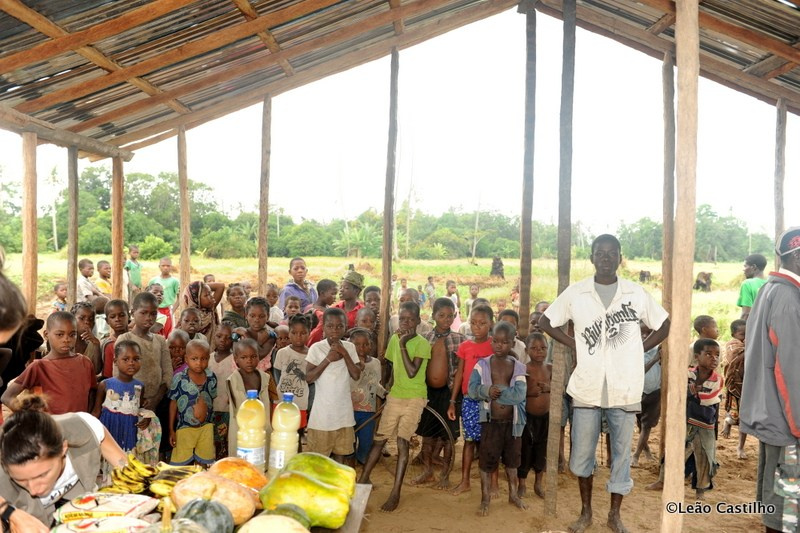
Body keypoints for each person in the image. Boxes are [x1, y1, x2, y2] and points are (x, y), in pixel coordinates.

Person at [538, 234, 669, 533]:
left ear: (620, 257)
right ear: (592, 257)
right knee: (582, 455)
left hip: (624, 388)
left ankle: (614, 515)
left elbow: (664, 323)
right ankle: (586, 513)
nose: (606, 258)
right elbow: (546, 321)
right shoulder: (577, 293)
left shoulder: (635, 293)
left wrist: (641, 346)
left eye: (612, 253)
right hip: (587, 388)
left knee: (621, 455)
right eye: (600, 253)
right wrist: (573, 343)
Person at [740, 227, 800, 533]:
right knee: (787, 509)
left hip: (770, 412)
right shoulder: (789, 299)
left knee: (775, 499)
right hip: (788, 421)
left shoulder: (769, 290)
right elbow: (789, 369)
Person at [0, 395, 128, 531]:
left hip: (77, 503)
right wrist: (10, 513)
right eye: (21, 480)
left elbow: (129, 470)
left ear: (63, 448)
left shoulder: (85, 429)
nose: (34, 490)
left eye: (42, 475)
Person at [359, 301, 431, 512]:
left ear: (418, 321)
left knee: (401, 442)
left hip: (415, 397)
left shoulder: (421, 344)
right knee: (379, 440)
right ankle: (363, 479)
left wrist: (402, 343)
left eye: (410, 319)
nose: (406, 323)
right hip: (396, 395)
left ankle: (396, 492)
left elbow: (410, 371)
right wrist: (385, 389)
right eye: (402, 319)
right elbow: (391, 366)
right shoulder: (393, 338)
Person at [468, 321, 527, 516]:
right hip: (490, 422)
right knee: (487, 460)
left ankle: (513, 494)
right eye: (496, 341)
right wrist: (486, 391)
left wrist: (496, 392)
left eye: (504, 342)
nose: (499, 345)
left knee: (512, 461)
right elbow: (472, 389)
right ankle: (485, 498)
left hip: (512, 425)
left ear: (512, 343)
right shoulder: (482, 364)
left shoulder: (518, 367)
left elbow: (519, 395)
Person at [411, 297, 466, 489]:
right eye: (441, 315)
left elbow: (461, 370)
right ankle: (427, 471)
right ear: (433, 316)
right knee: (427, 435)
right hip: (428, 394)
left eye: (450, 316)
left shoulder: (460, 340)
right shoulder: (425, 338)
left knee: (449, 435)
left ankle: (445, 474)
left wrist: (454, 398)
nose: (446, 319)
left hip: (450, 393)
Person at [2, 312, 98, 415]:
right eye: (60, 334)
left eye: (72, 334)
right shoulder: (40, 366)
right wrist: (32, 418)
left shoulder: (85, 362)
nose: (66, 339)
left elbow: (92, 391)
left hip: (79, 426)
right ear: (46, 335)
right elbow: (7, 397)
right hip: (52, 428)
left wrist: (90, 416)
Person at [115, 292, 172, 456]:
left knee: (154, 448)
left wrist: (156, 400)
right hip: (130, 404)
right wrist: (138, 403)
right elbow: (119, 376)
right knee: (132, 449)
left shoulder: (160, 341)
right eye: (144, 313)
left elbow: (167, 373)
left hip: (157, 402)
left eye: (153, 313)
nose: (149, 317)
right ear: (133, 313)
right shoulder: (125, 339)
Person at [447, 304, 495, 496]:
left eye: (482, 323)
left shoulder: (495, 345)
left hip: (490, 400)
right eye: (473, 323)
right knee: (469, 440)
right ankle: (465, 480)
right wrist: (452, 401)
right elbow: (459, 374)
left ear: (491, 324)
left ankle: (493, 482)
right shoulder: (465, 346)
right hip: (469, 400)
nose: (477, 327)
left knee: (489, 442)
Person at [305, 308, 361, 463]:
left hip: (344, 416)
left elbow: (356, 374)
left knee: (340, 458)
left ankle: (335, 487)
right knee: (318, 461)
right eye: (330, 326)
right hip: (322, 417)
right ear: (323, 327)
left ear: (346, 328)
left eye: (339, 326)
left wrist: (344, 353)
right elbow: (308, 378)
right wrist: (328, 359)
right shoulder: (317, 348)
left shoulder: (349, 347)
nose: (335, 330)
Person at [92, 340, 155, 458]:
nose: (131, 363)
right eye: (126, 359)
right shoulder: (105, 385)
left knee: (126, 461)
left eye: (136, 359)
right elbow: (96, 411)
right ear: (115, 361)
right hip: (109, 431)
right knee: (108, 463)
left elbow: (137, 410)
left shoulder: (140, 386)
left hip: (129, 432)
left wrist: (146, 419)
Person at [168, 339, 216, 466]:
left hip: (206, 428)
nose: (199, 363)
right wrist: (171, 429)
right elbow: (173, 404)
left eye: (204, 358)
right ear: (186, 359)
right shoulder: (179, 378)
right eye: (194, 359)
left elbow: (212, 401)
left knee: (203, 464)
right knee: (180, 463)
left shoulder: (211, 377)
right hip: (184, 427)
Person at [685, 339, 723, 500]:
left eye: (717, 355)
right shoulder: (688, 374)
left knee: (705, 458)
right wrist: (692, 394)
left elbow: (709, 398)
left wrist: (692, 394)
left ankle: (700, 491)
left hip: (705, 424)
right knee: (677, 453)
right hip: (687, 422)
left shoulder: (718, 380)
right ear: (696, 356)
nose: (714, 358)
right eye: (708, 354)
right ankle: (663, 480)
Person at [227, 338, 273, 456]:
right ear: (236, 359)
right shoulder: (233, 380)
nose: (249, 361)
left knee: (261, 457)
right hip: (241, 429)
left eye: (253, 356)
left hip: (262, 426)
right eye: (244, 357)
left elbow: (273, 400)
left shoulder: (265, 378)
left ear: (259, 356)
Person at [518, 332, 550, 499]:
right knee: (525, 450)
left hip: (545, 418)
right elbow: (518, 392)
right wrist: (530, 392)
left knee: (541, 450)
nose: (539, 352)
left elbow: (560, 389)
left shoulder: (550, 369)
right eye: (535, 348)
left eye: (543, 348)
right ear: (527, 350)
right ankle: (522, 483)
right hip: (528, 418)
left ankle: (538, 482)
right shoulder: (524, 369)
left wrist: (548, 388)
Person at [349, 328, 384, 465]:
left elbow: (376, 384)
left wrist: (385, 394)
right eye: (357, 344)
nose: (361, 348)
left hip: (368, 411)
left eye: (365, 344)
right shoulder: (347, 362)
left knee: (366, 441)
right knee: (349, 441)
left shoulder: (375, 363)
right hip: (349, 409)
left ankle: (362, 459)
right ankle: (350, 463)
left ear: (371, 345)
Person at [631, 323, 662, 467]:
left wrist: (659, 358)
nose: (645, 336)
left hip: (655, 392)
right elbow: (637, 372)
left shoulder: (661, 349)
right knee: (640, 423)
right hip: (637, 392)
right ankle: (646, 449)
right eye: (642, 333)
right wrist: (655, 359)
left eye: (649, 333)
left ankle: (636, 455)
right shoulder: (634, 350)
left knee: (646, 425)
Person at [274, 315, 311, 435]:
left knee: (297, 435)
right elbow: (277, 375)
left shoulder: (312, 354)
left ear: (309, 333)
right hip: (281, 401)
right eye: (294, 333)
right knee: (280, 432)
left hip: (300, 403)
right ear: (289, 333)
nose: (298, 337)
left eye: (303, 333)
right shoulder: (282, 353)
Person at [208, 323, 236, 460]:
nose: (223, 341)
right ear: (214, 336)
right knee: (210, 443)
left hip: (227, 410)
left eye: (228, 338)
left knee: (224, 444)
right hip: (210, 410)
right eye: (219, 336)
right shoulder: (208, 358)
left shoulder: (235, 360)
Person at [721, 319, 747, 458]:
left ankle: (740, 445)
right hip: (735, 385)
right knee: (740, 414)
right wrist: (749, 345)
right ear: (733, 334)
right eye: (743, 334)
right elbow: (736, 357)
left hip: (748, 385)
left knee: (744, 417)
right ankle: (739, 447)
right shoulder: (732, 346)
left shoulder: (747, 345)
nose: (746, 337)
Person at [180, 280, 224, 348]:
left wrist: (201, 285)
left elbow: (221, 286)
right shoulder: (189, 316)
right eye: (206, 295)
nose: (211, 297)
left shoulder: (209, 310)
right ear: (196, 299)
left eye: (210, 293)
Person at [234, 297, 277, 362]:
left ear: (267, 316)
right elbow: (235, 355)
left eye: (261, 316)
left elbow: (260, 354)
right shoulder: (239, 335)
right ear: (246, 315)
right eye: (252, 316)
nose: (256, 320)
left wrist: (246, 334)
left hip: (264, 372)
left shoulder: (270, 336)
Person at [148, 257, 180, 338]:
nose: (165, 267)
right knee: (154, 330)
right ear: (159, 266)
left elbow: (179, 297)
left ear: (171, 267)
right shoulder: (153, 280)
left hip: (167, 309)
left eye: (168, 266)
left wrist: (172, 310)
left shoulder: (175, 281)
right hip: (155, 309)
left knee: (168, 332)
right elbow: (148, 294)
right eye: (163, 265)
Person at [100, 299, 131, 379]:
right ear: (107, 321)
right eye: (113, 317)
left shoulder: (137, 339)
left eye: (121, 315)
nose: (117, 319)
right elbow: (108, 375)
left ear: (129, 316)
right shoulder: (109, 345)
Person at [72, 301, 101, 375]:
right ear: (72, 320)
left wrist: (96, 344)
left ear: (94, 324)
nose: (87, 322)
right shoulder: (66, 342)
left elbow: (96, 371)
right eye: (81, 318)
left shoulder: (93, 344)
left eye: (91, 319)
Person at [307, 279, 338, 346]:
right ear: (322, 293)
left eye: (335, 294)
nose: (335, 297)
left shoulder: (329, 309)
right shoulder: (311, 310)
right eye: (333, 294)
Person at [737, 253, 767, 319]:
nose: (743, 269)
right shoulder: (770, 283)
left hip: (754, 327)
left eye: (745, 266)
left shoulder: (747, 284)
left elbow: (746, 313)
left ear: (753, 267)